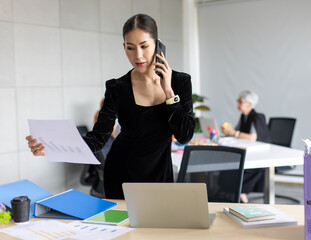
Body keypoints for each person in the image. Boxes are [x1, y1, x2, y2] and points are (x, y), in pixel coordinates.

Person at [26, 14, 195, 199]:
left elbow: (184, 135)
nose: (137, 55)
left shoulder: (180, 82)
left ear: (158, 44)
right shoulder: (117, 87)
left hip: (160, 175)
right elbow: (98, 137)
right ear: (124, 47)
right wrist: (52, 146)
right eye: (130, 48)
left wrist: (169, 92)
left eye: (144, 46)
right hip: (121, 174)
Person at [221, 90, 271, 203]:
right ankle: (229, 195)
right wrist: (228, 131)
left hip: (259, 157)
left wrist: (233, 133)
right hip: (248, 152)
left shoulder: (258, 117)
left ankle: (242, 198)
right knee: (228, 167)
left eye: (240, 101)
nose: (238, 104)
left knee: (238, 170)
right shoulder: (243, 117)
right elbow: (237, 131)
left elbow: (252, 137)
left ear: (249, 104)